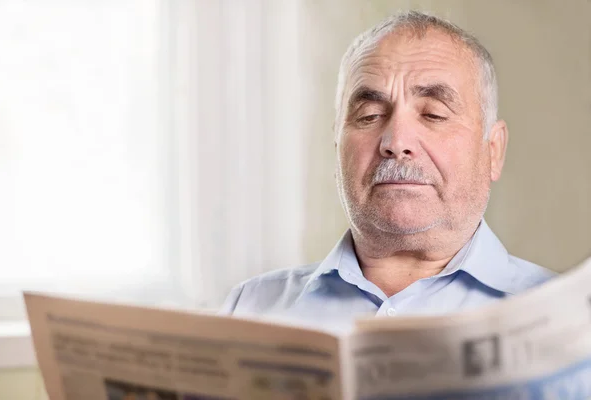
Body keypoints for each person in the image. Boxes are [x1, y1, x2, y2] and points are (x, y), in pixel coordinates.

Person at [220, 10, 555, 333]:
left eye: (433, 114)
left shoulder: (563, 315)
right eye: (369, 115)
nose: (396, 142)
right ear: (337, 146)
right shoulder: (248, 309)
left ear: (493, 150)